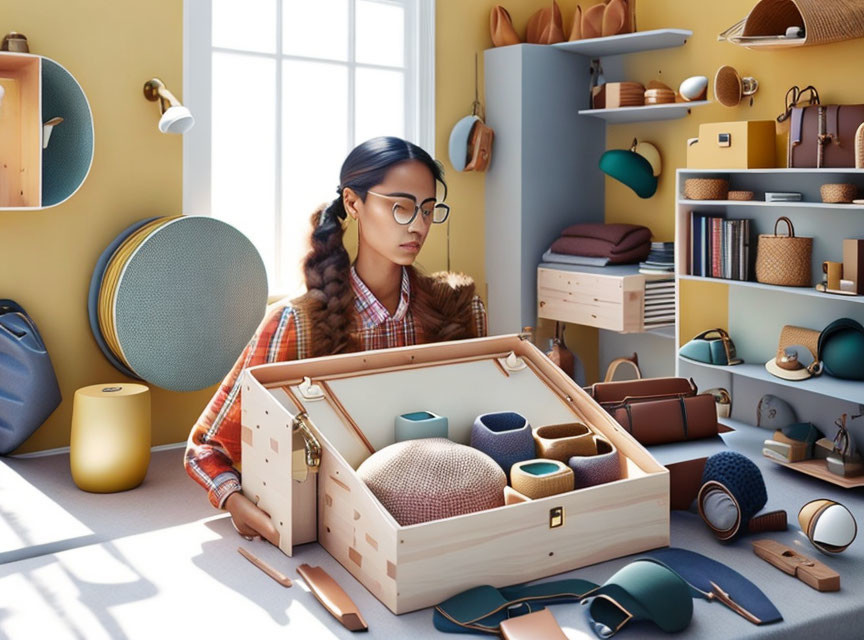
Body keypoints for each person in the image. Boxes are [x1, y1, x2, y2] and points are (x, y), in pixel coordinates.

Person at [184, 136, 487, 543]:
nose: (418, 225)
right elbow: (206, 446)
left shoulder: (461, 309)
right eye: (400, 206)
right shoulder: (295, 323)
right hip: (334, 528)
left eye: (428, 210)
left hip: (452, 518)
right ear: (353, 203)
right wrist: (236, 503)